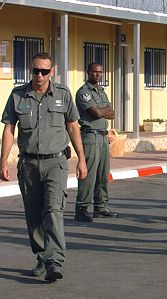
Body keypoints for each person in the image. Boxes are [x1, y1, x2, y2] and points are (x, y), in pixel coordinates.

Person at [0, 52, 87, 282]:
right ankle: (42, 257)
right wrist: (3, 160)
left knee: (53, 210)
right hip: (28, 163)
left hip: (56, 162)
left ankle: (55, 260)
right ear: (31, 70)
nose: (39, 75)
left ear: (52, 72)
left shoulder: (63, 94)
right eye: (35, 71)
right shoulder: (18, 95)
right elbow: (9, 129)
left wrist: (82, 159)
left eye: (44, 71)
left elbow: (73, 127)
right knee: (34, 213)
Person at [74, 63, 118, 222]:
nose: (97, 75)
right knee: (89, 174)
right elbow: (96, 112)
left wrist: (103, 111)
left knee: (103, 174)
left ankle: (100, 207)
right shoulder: (83, 92)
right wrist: (103, 111)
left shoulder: (101, 91)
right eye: (94, 72)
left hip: (102, 136)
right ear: (88, 72)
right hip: (90, 136)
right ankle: (82, 208)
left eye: (100, 72)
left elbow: (112, 112)